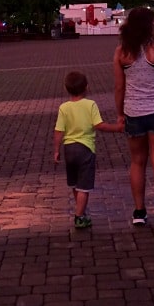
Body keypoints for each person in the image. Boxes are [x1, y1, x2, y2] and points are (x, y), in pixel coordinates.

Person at [113, 6, 154, 234]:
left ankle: (139, 212)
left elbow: (119, 87)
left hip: (134, 112)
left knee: (137, 162)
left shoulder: (122, 52)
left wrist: (120, 113)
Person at [53, 70, 123, 229]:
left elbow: (58, 131)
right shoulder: (90, 104)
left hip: (69, 149)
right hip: (85, 149)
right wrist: (117, 128)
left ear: (66, 88)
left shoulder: (63, 107)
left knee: (75, 184)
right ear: (86, 87)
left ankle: (81, 211)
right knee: (84, 186)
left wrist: (56, 150)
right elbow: (100, 125)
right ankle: (79, 217)